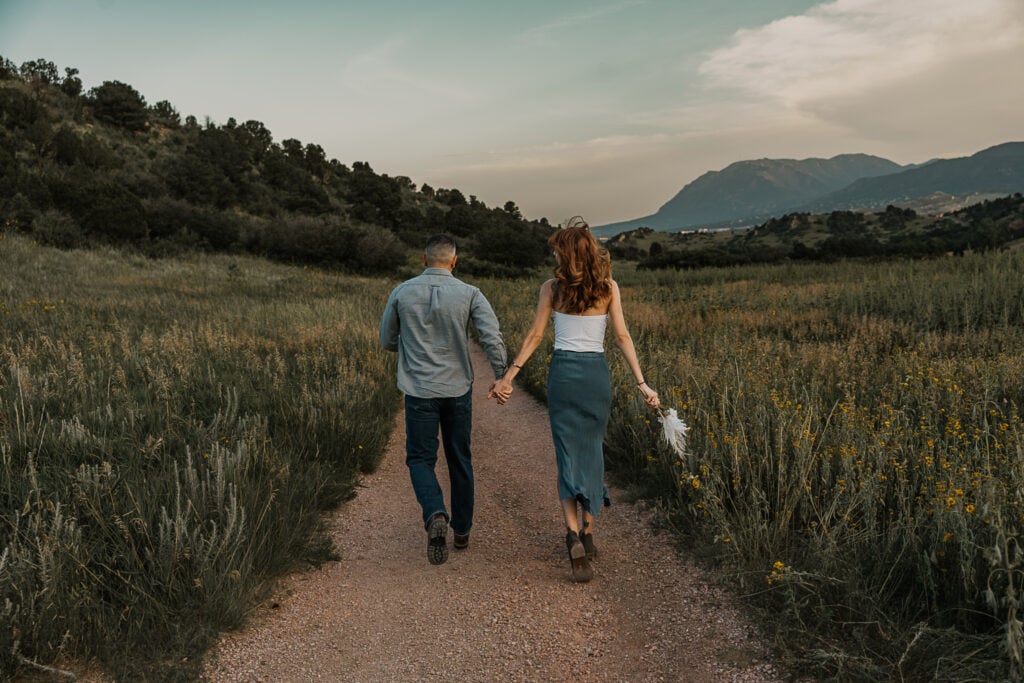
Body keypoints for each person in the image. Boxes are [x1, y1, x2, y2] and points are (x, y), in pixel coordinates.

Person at [488, 217, 660, 583]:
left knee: (567, 454)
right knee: (592, 450)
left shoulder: (551, 288)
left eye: (556, 248)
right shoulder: (608, 288)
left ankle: (571, 536)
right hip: (596, 376)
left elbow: (535, 337)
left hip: (564, 375)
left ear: (566, 255)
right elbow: (622, 337)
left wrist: (509, 376)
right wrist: (642, 383)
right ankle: (588, 532)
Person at [380, 234, 508, 565]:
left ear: (424, 260)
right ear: (454, 262)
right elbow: (491, 338)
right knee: (459, 458)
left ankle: (436, 511)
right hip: (457, 390)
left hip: (420, 390)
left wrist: (408, 348)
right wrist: (501, 376)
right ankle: (462, 531)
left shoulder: (402, 291)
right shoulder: (470, 293)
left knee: (420, 459)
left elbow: (387, 339)